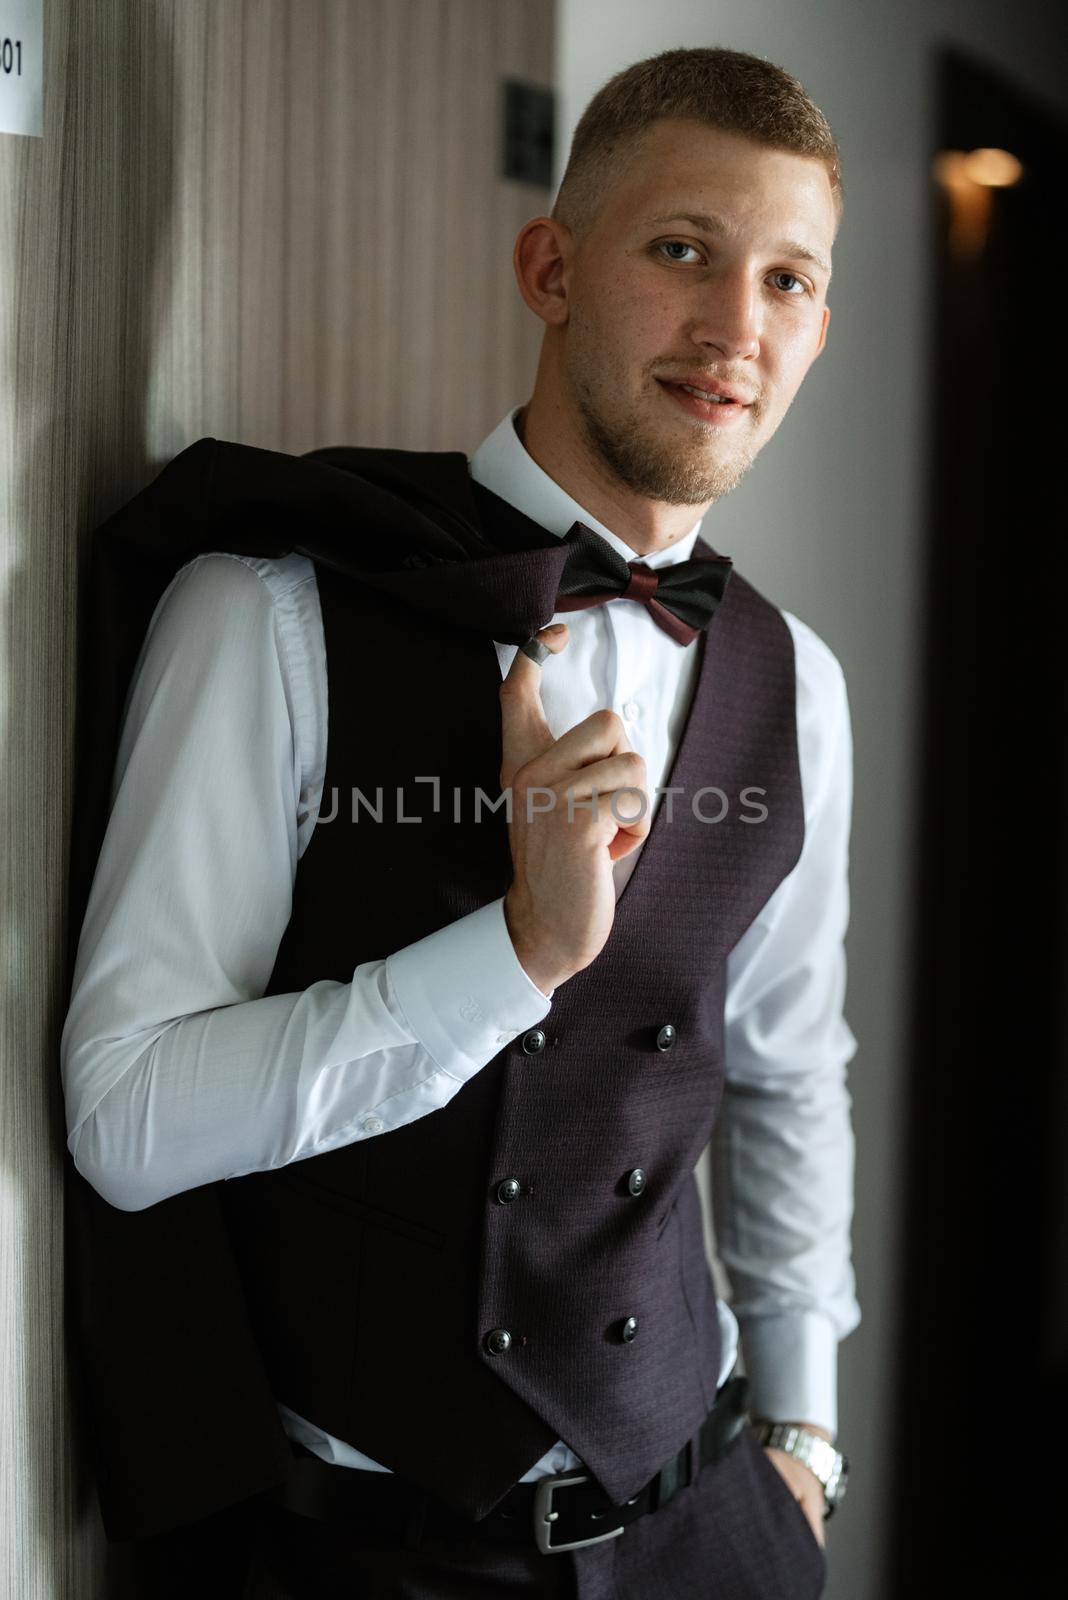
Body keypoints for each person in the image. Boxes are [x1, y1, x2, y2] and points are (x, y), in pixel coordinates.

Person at [60, 43, 859, 1600]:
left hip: (706, 1537)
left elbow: (786, 1074)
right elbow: (125, 1117)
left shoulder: (796, 683)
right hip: (354, 1550)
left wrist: (807, 1443)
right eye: (683, 250)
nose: (734, 330)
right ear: (550, 266)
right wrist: (515, 951)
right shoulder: (273, 612)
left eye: (789, 280)